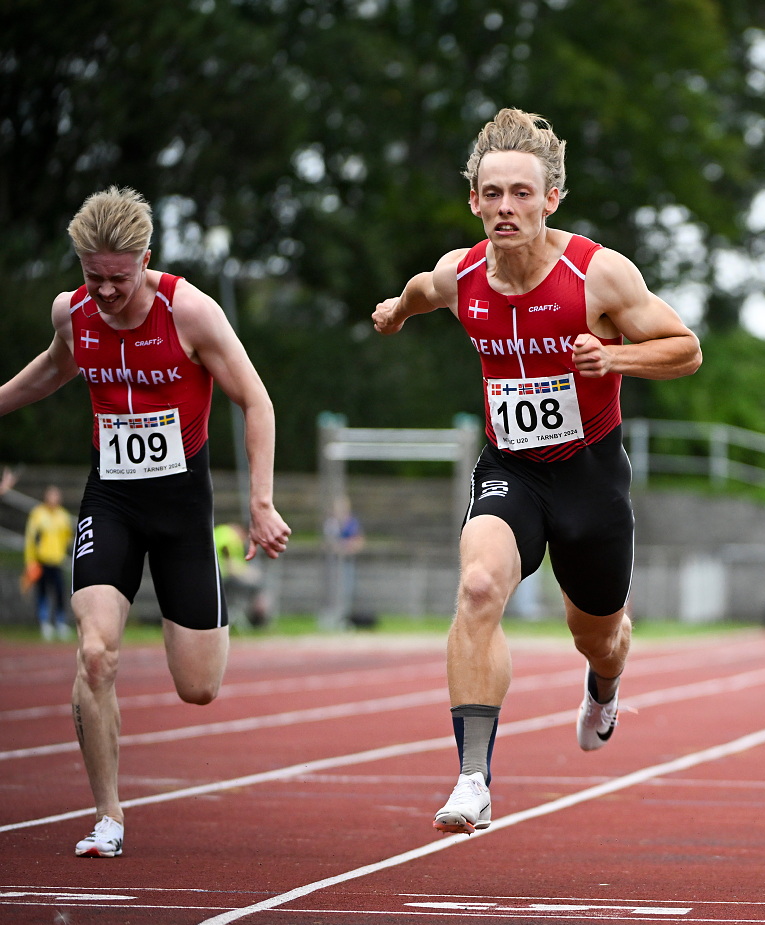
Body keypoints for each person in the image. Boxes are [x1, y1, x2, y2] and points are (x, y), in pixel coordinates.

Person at [372, 108, 701, 835]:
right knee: (480, 583)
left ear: (551, 198)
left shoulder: (598, 273)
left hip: (589, 474)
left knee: (600, 636)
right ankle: (472, 777)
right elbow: (425, 288)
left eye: (521, 193)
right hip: (511, 469)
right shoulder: (462, 275)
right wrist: (398, 308)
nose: (505, 208)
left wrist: (613, 357)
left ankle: (604, 688)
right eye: (492, 194)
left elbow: (686, 348)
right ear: (474, 202)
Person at [0, 187, 291, 858]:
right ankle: (108, 814)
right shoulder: (71, 313)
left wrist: (262, 502)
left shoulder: (189, 312)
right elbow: (53, 368)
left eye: (118, 278)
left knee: (199, 687)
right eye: (91, 276)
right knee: (96, 651)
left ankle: (208, 617)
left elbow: (257, 399)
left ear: (145, 261)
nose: (104, 291)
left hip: (182, 506)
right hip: (112, 500)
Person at [24, 484, 75, 640]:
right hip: (42, 560)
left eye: (56, 495)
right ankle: (45, 623)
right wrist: (31, 561)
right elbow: (31, 539)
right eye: (51, 495)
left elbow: (68, 537)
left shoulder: (63, 516)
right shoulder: (38, 514)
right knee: (43, 593)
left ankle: (60, 623)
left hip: (57, 560)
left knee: (60, 592)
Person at [321, 494, 365, 628]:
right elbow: (328, 544)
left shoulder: (352, 522)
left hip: (346, 563)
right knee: (332, 591)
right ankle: (330, 619)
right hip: (333, 564)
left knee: (346, 592)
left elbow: (358, 542)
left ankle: (343, 619)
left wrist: (343, 547)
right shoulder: (331, 523)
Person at [214, 521, 269, 628]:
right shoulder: (231, 538)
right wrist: (248, 573)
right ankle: (257, 618)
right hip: (223, 579)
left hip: (216, 577)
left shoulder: (220, 532)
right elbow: (229, 564)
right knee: (257, 585)